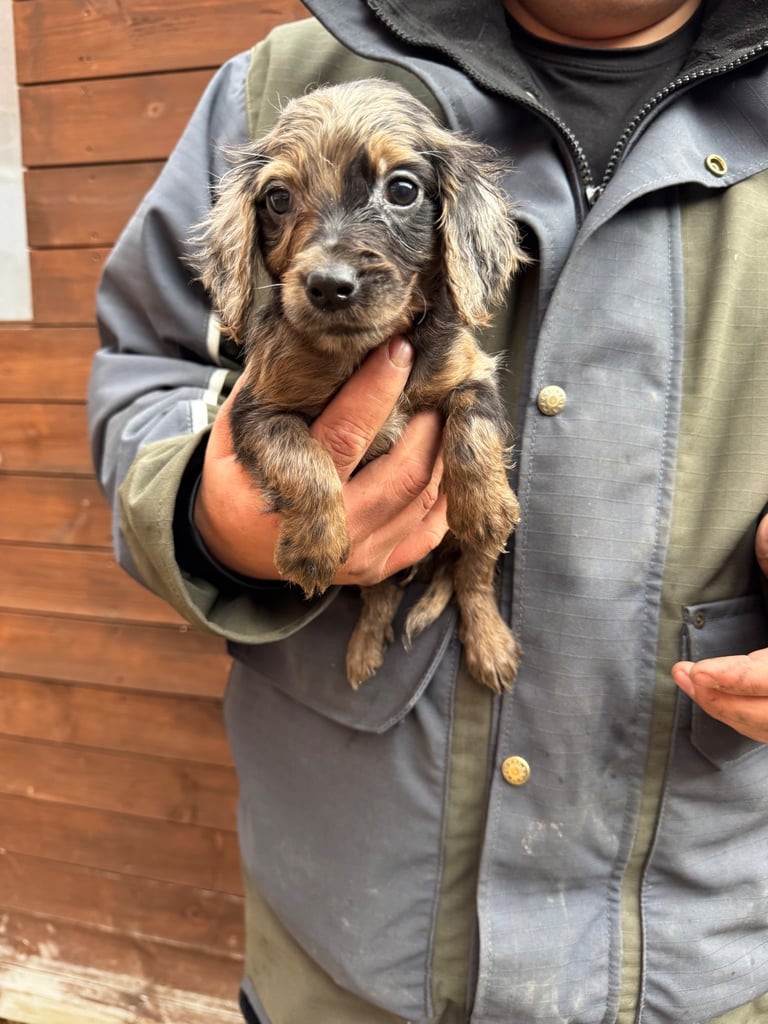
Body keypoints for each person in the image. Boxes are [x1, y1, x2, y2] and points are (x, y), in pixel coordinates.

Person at [87, 1, 768, 1021]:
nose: (329, 255)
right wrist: (205, 512)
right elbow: (149, 365)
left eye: (400, 191)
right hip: (345, 942)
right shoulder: (278, 79)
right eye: (284, 206)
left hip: (704, 946)